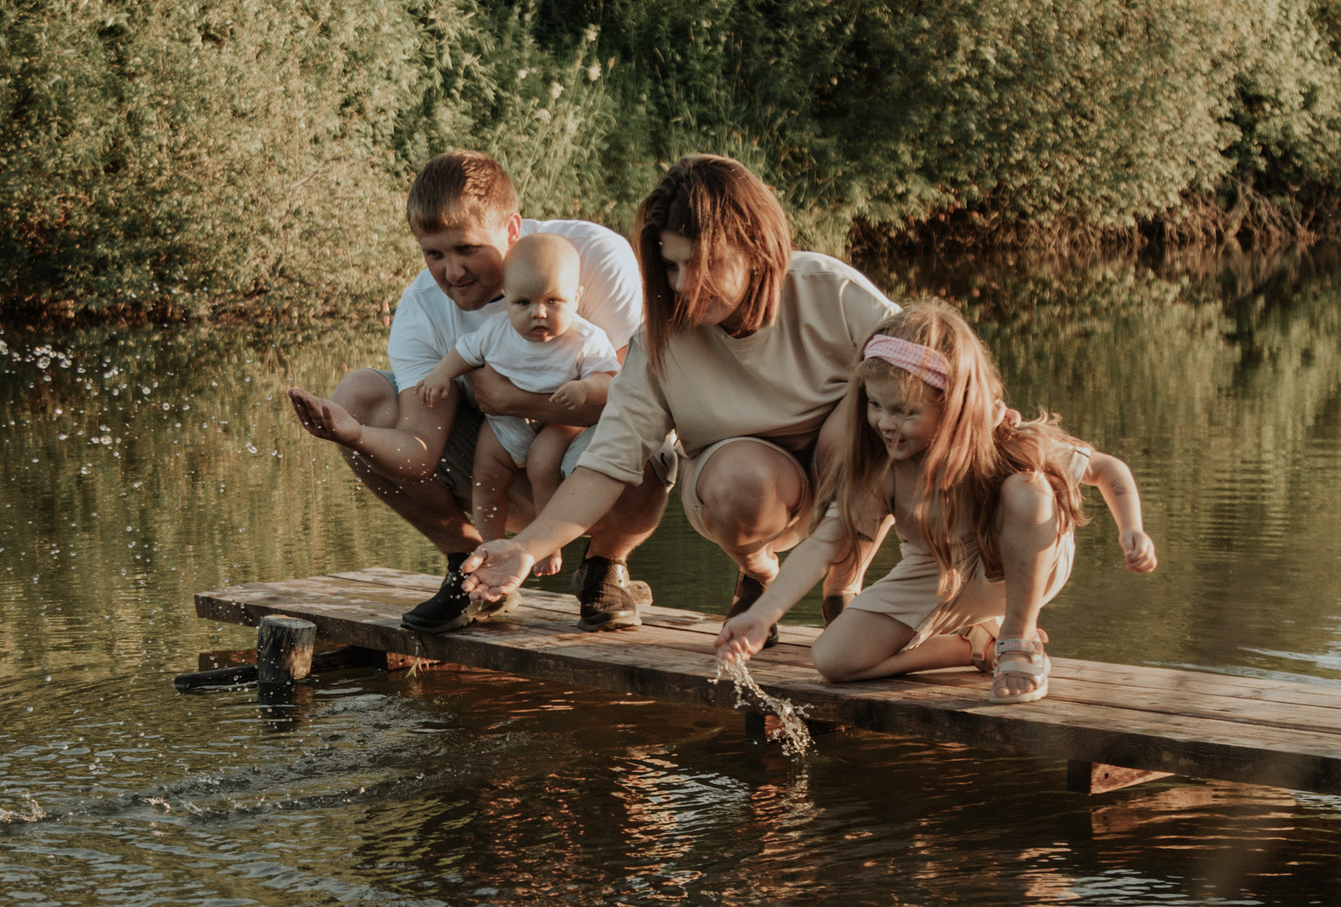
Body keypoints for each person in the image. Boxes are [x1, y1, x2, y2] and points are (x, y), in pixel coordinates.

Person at [459, 154, 901, 629]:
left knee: (884, 409)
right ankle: (758, 573)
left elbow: (939, 374)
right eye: (671, 265)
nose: (685, 284)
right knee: (740, 481)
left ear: (755, 248)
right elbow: (608, 461)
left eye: (703, 263)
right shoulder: (662, 340)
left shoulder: (829, 291)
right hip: (737, 484)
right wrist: (527, 548)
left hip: (848, 475)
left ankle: (842, 588)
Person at [284, 150, 666, 631]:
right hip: (498, 466)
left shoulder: (589, 256)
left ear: (511, 230)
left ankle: (603, 567)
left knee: (643, 441)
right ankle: (471, 571)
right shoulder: (422, 308)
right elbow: (420, 453)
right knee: (359, 394)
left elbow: (638, 402)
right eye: (434, 253)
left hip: (583, 450)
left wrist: (517, 401)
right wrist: (353, 434)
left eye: (466, 249)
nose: (452, 272)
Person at [713, 301, 1157, 703]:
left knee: (1029, 489)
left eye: (905, 412)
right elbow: (821, 546)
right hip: (936, 569)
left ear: (955, 406)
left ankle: (1019, 640)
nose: (885, 423)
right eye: (875, 406)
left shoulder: (1007, 444)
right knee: (833, 660)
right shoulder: (883, 467)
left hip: (1014, 566)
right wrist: (761, 615)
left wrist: (1131, 528)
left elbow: (1108, 470)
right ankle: (975, 643)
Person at [412, 233, 624, 594]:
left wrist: (587, 388)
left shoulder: (586, 339)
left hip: (559, 421)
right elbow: (465, 353)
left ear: (576, 297)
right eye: (523, 302)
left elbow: (610, 380)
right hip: (507, 421)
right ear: (506, 299)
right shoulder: (496, 331)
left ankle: (546, 542)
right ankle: (488, 545)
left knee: (543, 465)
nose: (538, 313)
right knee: (487, 473)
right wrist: (441, 374)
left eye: (553, 301)